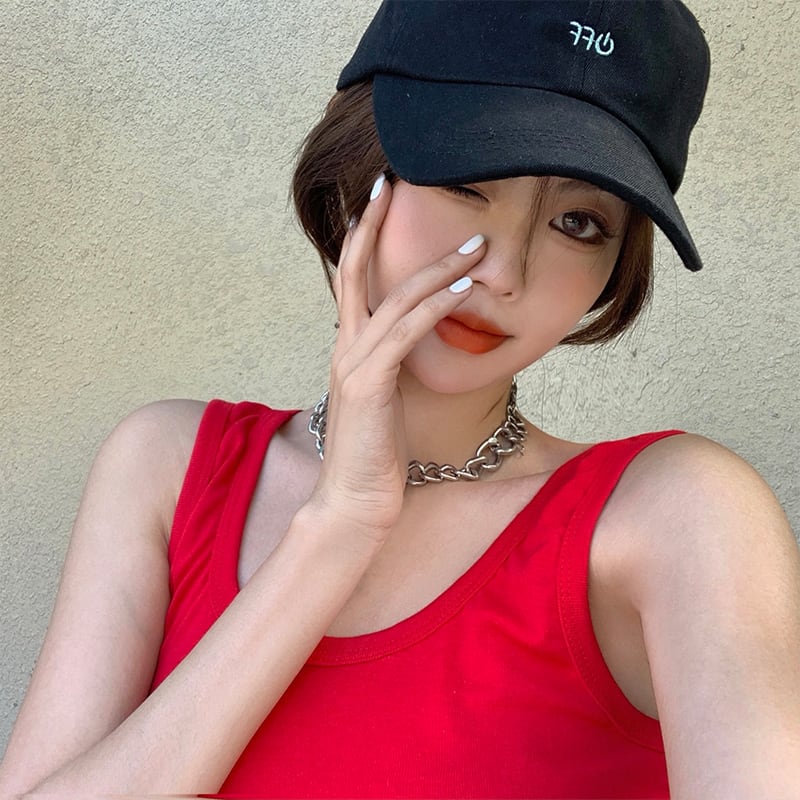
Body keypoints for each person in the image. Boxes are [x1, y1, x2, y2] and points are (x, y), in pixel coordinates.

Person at [1, 1, 799, 797]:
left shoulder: (678, 517)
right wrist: (336, 529)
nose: (504, 273)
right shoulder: (170, 470)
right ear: (360, 167)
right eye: (466, 180)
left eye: (579, 223)